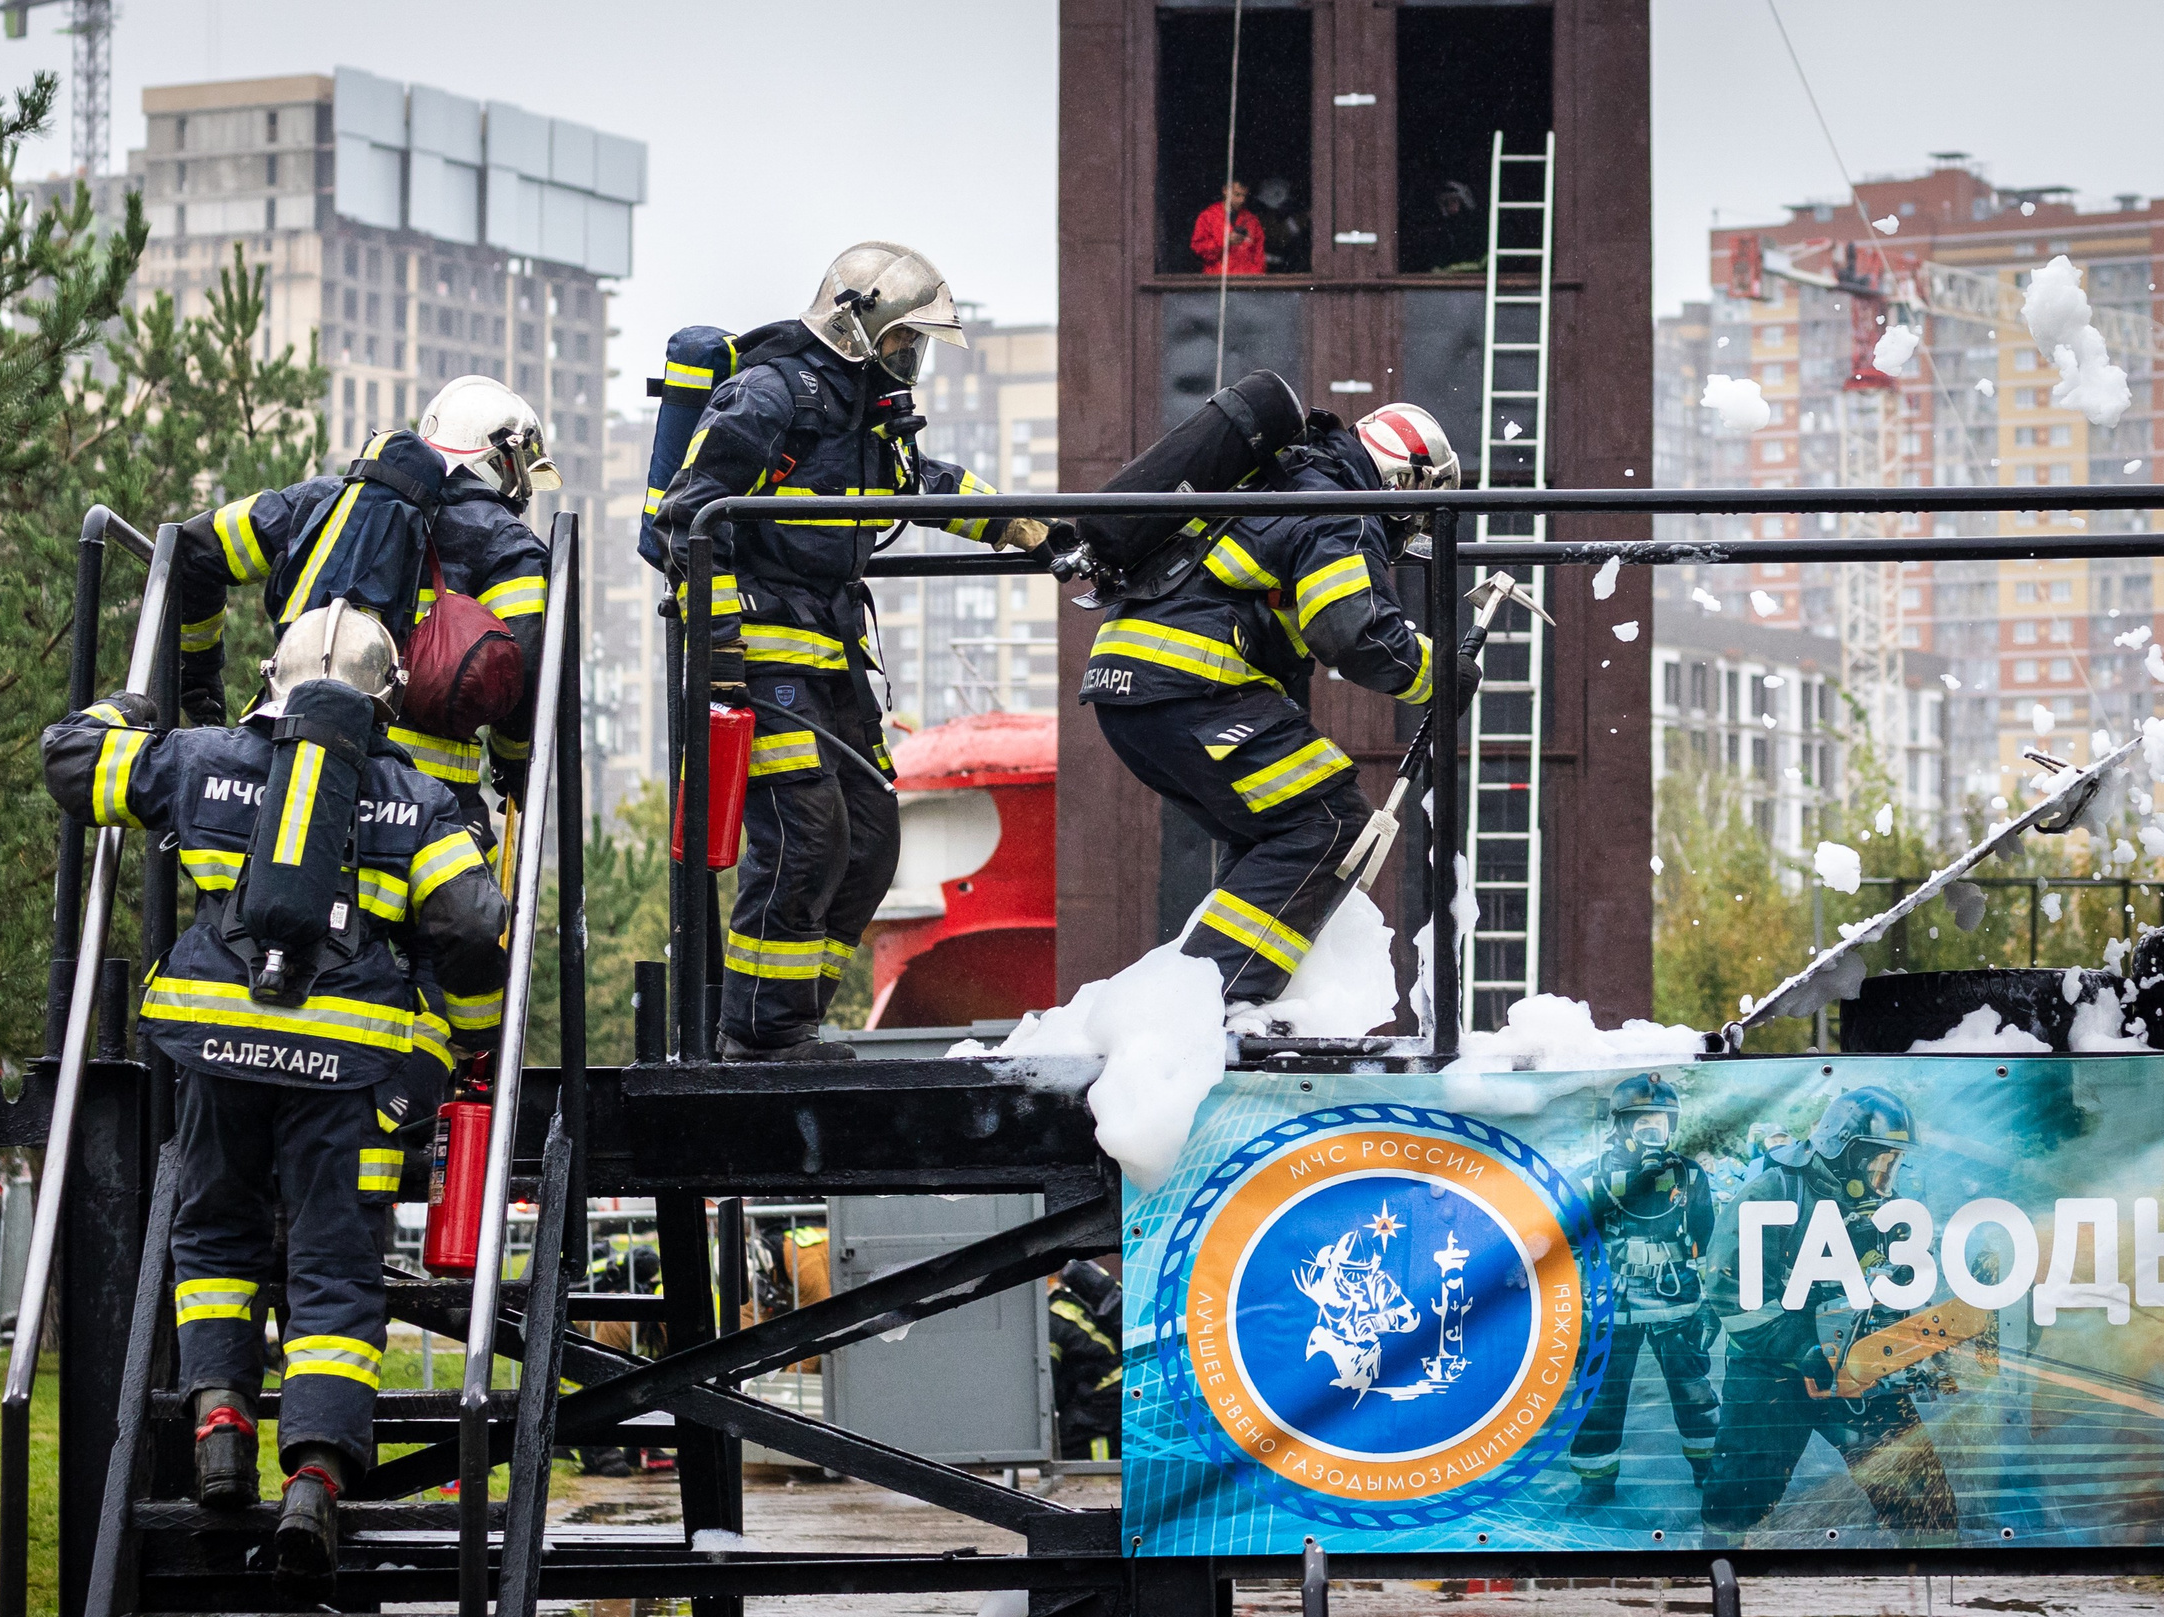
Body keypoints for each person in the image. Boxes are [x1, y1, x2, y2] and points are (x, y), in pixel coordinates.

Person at [41, 605, 508, 1577]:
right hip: (343, 1066)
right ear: (388, 699)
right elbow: (469, 926)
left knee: (213, 1237)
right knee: (334, 1267)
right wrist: (472, 1040)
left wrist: (126, 708)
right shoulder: (413, 797)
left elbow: (73, 762)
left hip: (216, 1046)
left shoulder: (201, 761)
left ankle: (218, 1421)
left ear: (270, 678)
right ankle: (315, 1478)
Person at [650, 242, 1047, 1061]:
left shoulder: (868, 414)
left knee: (869, 846)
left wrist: (1018, 519)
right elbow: (687, 520)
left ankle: (792, 1014)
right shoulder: (768, 395)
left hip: (832, 656)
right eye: (905, 339)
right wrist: (719, 648)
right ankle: (759, 1033)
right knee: (808, 836)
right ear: (858, 325)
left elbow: (918, 484)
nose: (913, 358)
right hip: (763, 658)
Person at [173, 380, 554, 1063]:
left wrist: (198, 683)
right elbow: (522, 678)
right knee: (434, 987)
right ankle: (431, 1114)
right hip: (423, 811)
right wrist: (515, 766)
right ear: (500, 459)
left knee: (241, 951)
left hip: (276, 785)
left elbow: (191, 553)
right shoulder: (507, 545)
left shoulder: (322, 503)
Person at [1079, 402, 1477, 1013]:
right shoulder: (1342, 508)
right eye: (1419, 510)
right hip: (1191, 682)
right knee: (1330, 822)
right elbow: (1355, 632)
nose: (1412, 528)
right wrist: (1438, 675)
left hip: (1133, 680)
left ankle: (1221, 1003)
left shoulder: (1282, 479)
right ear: (1404, 482)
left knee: (1270, 830)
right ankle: (1205, 1014)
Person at [1699, 1086, 1957, 1535]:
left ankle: (1934, 1592)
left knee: (1924, 1505)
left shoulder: (1888, 1209)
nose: (1887, 1176)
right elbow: (1731, 1292)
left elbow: (1903, 1282)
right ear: (1842, 1149)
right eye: (1879, 1161)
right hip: (1770, 1377)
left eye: (1894, 1163)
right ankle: (1720, 1590)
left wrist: (1915, 1345)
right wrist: (1804, 1349)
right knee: (1735, 1509)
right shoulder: (1773, 1192)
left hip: (1856, 1369)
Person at [1565, 1073, 1718, 1503]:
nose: (1655, 1131)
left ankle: (1709, 1474)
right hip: (1610, 1305)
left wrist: (1713, 1305)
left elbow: (1708, 1241)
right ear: (1620, 1125)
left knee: (1695, 1395)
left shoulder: (1689, 1176)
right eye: (1643, 1122)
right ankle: (1595, 1483)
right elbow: (1565, 1242)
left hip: (1677, 1301)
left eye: (1663, 1122)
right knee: (1599, 1396)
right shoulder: (1590, 1178)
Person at [1048, 1259, 1125, 1460]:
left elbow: (1048, 1384)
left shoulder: (1053, 1317)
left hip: (1108, 1385)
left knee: (1072, 1435)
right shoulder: (1064, 1303)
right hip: (1111, 1382)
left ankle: (1098, 1474)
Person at [1191, 181, 1265, 276]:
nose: (1241, 200)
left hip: (1246, 283)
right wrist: (1225, 241)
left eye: (1244, 196)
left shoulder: (1252, 221)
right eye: (1237, 194)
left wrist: (1253, 280)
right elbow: (1198, 249)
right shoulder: (1208, 217)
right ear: (1225, 190)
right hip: (1216, 280)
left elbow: (1260, 258)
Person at [1253, 178, 1309, 273]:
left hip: (1297, 268)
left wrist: (1287, 218)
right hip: (1269, 268)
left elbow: (1301, 239)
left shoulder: (1302, 219)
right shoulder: (1260, 220)